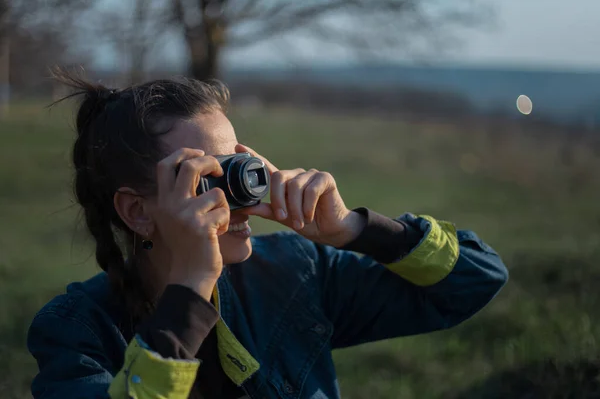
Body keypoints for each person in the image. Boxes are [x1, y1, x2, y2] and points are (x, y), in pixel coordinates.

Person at [27, 70, 508, 399]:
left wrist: (354, 229)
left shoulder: (294, 273)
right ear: (137, 211)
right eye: (207, 180)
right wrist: (191, 288)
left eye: (239, 167)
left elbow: (476, 279)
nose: (240, 194)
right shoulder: (76, 331)